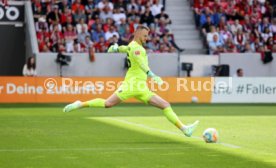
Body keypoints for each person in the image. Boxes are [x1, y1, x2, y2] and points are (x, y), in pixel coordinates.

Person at [63, 25, 199, 137]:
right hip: (132, 84)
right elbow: (141, 63)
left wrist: (116, 48)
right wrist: (153, 75)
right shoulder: (136, 48)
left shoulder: (132, 45)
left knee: (165, 104)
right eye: (145, 36)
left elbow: (125, 48)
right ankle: (80, 104)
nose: (147, 38)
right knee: (108, 103)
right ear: (139, 34)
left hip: (141, 87)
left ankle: (184, 129)